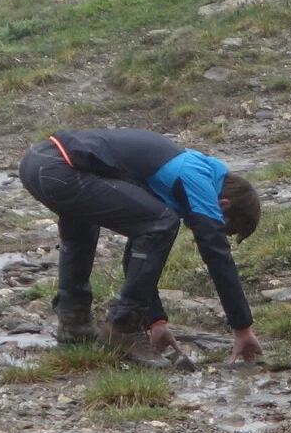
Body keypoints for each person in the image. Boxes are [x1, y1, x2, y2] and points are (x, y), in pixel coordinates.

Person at [17, 129, 263, 363]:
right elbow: (217, 254)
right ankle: (123, 328)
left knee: (88, 227)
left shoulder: (186, 166)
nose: (215, 228)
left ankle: (74, 324)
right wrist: (242, 327)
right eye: (224, 226)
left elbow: (140, 250)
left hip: (38, 162)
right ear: (223, 204)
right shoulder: (196, 178)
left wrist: (156, 321)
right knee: (162, 223)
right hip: (59, 168)